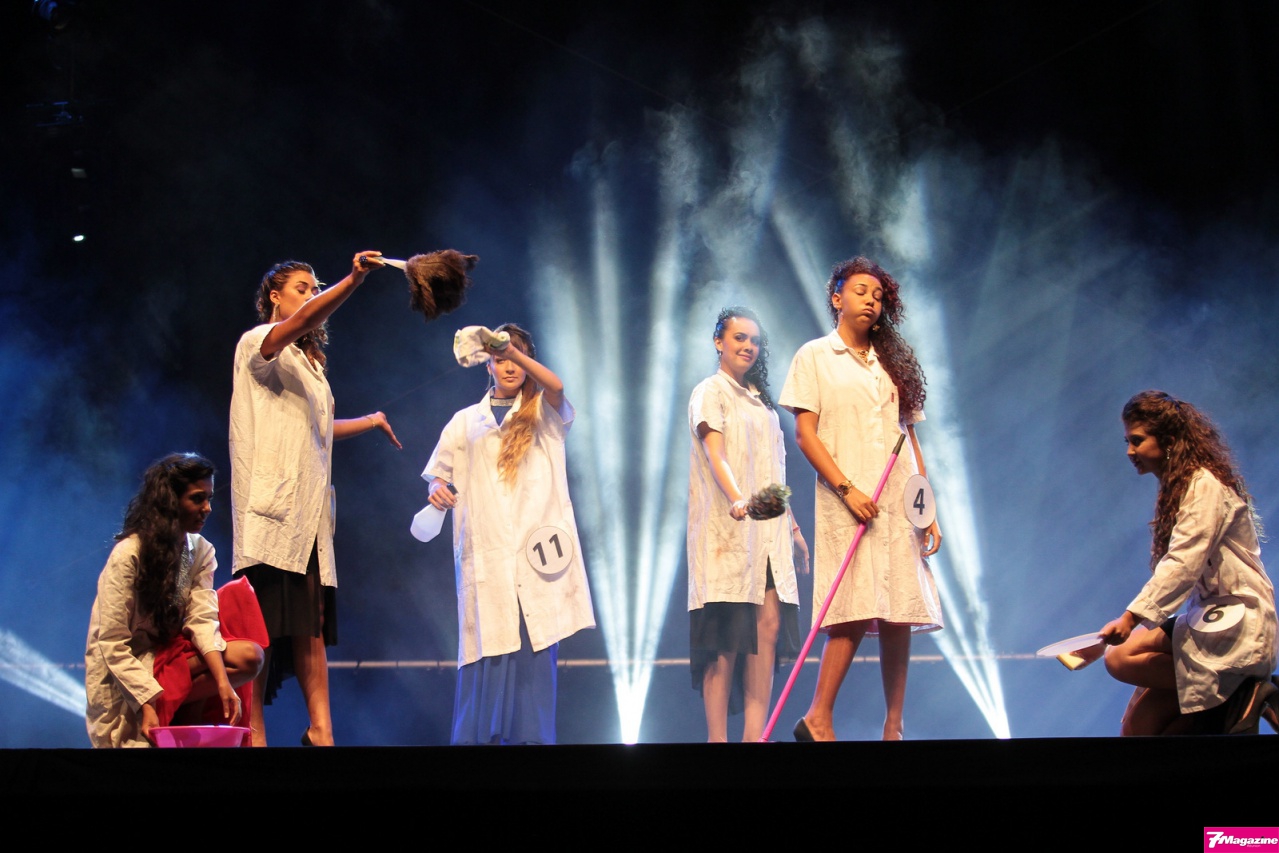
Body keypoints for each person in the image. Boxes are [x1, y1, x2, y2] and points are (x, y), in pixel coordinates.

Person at [230, 252, 401, 747]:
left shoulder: (308, 367)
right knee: (261, 623)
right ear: (274, 296)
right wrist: (354, 279)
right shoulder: (257, 343)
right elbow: (305, 320)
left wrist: (370, 421)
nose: (310, 295)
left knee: (312, 622)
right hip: (271, 511)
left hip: (307, 514)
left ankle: (321, 731)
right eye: (301, 288)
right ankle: (254, 733)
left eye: (314, 288)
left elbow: (318, 428)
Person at [780, 256, 943, 742]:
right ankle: (818, 717)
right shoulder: (815, 355)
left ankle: (894, 726)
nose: (871, 300)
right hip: (847, 498)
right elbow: (806, 434)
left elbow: (910, 438)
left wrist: (926, 509)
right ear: (837, 297)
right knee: (850, 604)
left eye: (878, 295)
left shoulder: (891, 363)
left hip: (898, 499)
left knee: (899, 608)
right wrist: (846, 489)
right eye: (860, 291)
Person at [422, 323, 595, 745]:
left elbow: (557, 385)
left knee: (534, 669)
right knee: (485, 661)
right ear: (488, 365)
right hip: (488, 564)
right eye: (500, 358)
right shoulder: (465, 422)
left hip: (537, 564)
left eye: (517, 357)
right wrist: (437, 489)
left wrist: (510, 349)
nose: (509, 366)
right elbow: (437, 475)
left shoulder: (543, 414)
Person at [1100, 390, 1278, 735]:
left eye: (1137, 440)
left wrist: (1130, 618)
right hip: (1210, 619)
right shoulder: (1183, 487)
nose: (1129, 451)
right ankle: (1231, 696)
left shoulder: (1204, 485)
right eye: (1127, 441)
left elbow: (1183, 562)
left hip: (1235, 621)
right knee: (1139, 727)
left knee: (1121, 658)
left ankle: (1241, 689)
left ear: (1167, 440)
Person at [688, 306, 809, 742]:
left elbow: (774, 473)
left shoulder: (761, 401)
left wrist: (793, 528)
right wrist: (737, 498)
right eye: (739, 338)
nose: (748, 346)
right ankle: (717, 740)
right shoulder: (710, 391)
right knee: (725, 638)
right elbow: (715, 454)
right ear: (718, 342)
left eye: (754, 341)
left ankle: (756, 738)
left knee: (768, 629)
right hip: (726, 531)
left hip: (769, 534)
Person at [85, 453, 264, 747]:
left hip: (167, 657)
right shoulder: (129, 554)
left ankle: (180, 713)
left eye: (209, 498)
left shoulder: (201, 551)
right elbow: (112, 643)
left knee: (249, 656)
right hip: (127, 672)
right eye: (197, 499)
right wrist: (146, 702)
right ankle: (160, 710)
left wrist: (223, 683)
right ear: (170, 501)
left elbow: (202, 620)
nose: (207, 508)